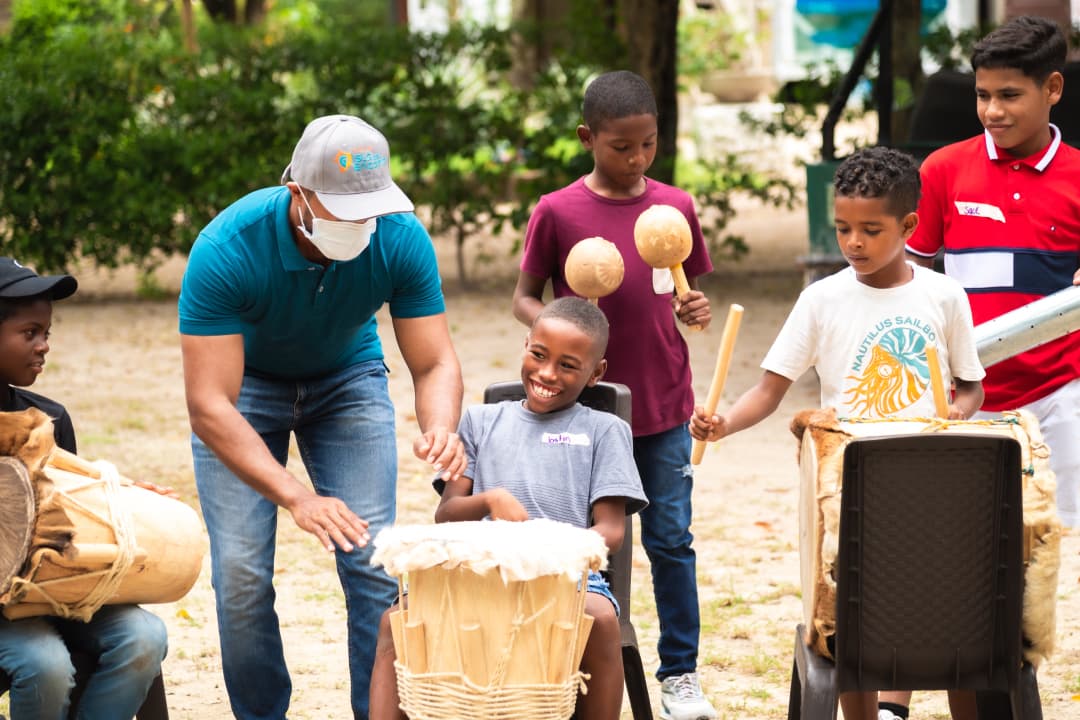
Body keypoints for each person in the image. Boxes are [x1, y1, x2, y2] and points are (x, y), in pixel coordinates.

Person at [178, 114, 465, 720]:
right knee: (242, 577)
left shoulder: (399, 237)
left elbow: (435, 360)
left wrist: (440, 425)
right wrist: (296, 496)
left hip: (347, 381)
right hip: (245, 392)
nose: (361, 223)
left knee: (371, 564)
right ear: (298, 194)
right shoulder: (228, 247)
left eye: (370, 207)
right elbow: (209, 404)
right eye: (342, 207)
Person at [690, 147, 985, 720]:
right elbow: (769, 391)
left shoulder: (943, 296)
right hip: (844, 478)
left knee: (924, 601)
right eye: (843, 228)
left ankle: (896, 708)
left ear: (908, 227)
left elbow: (971, 386)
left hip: (926, 474)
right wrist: (724, 423)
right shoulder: (821, 299)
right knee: (849, 611)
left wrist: (957, 412)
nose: (853, 243)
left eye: (871, 230)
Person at [890, 15, 1080, 720]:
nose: (994, 111)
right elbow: (915, 290)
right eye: (983, 96)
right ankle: (966, 694)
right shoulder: (942, 171)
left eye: (1011, 95)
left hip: (1062, 397)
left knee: (1046, 557)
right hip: (966, 400)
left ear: (1052, 88)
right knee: (962, 553)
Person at [511, 69, 717, 720]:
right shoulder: (557, 210)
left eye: (648, 145)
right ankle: (573, 653)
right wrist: (561, 333)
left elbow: (685, 291)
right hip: (585, 409)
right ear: (587, 138)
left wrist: (693, 309)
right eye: (621, 147)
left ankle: (680, 675)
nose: (636, 160)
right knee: (581, 538)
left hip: (662, 403)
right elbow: (523, 296)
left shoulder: (674, 210)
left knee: (672, 541)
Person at [369, 296, 648, 720]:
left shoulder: (604, 430)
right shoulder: (480, 421)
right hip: (477, 572)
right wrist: (490, 500)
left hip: (565, 577)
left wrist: (548, 547)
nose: (547, 373)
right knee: (395, 621)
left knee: (602, 618)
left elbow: (610, 531)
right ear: (526, 345)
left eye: (568, 365)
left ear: (596, 373)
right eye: (539, 355)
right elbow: (446, 514)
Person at [0, 257, 169, 720]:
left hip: (54, 589)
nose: (44, 346)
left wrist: (127, 499)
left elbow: (73, 513)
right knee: (45, 665)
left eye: (47, 333)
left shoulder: (50, 417)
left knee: (144, 636)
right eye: (29, 332)